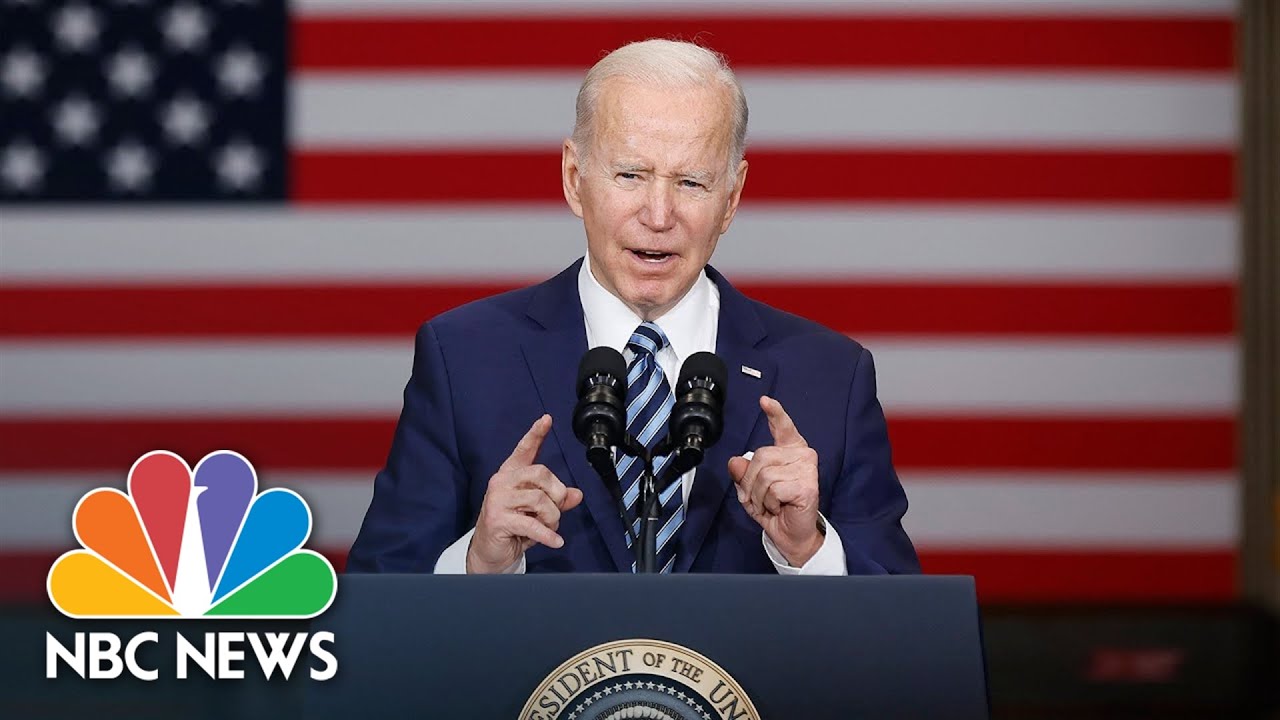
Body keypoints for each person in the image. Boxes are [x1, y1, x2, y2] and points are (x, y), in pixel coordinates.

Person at [346, 39, 919, 576]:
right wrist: (479, 561)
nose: (659, 214)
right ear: (575, 179)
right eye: (630, 175)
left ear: (732, 198)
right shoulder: (464, 357)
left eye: (691, 182)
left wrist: (809, 550)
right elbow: (374, 605)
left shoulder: (830, 375)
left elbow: (907, 635)